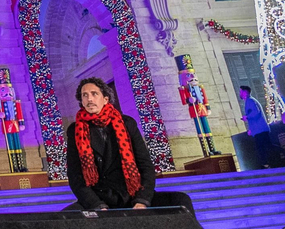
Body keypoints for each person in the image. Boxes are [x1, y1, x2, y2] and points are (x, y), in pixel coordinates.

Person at [64, 78, 192, 212]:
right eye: (85, 95)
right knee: (61, 220)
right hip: (100, 198)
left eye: (94, 94)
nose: (89, 99)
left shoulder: (126, 124)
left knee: (181, 201)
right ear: (82, 101)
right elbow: (75, 176)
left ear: (105, 99)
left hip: (131, 195)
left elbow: (146, 165)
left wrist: (142, 200)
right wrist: (97, 205)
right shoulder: (75, 130)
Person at [238, 86, 277, 168]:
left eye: (241, 92)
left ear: (245, 92)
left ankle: (267, 164)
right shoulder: (249, 101)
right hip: (259, 129)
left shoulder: (250, 101)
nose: (240, 93)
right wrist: (251, 129)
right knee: (266, 146)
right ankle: (269, 163)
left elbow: (256, 113)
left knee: (263, 147)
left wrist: (247, 117)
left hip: (260, 129)